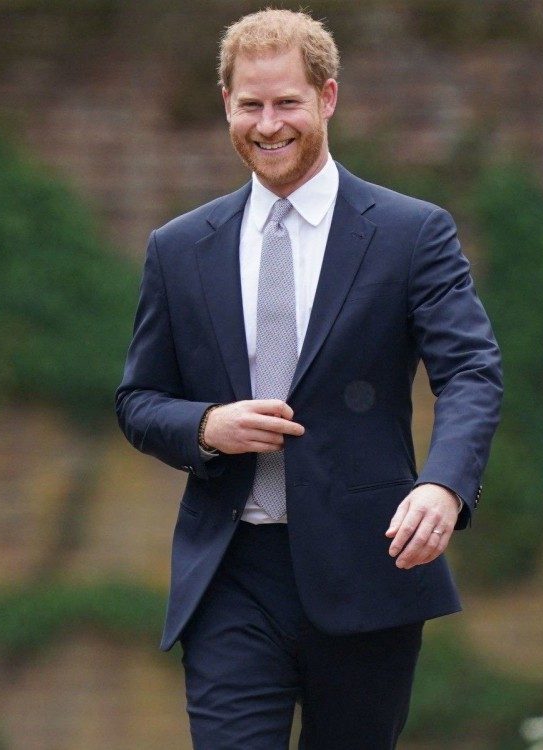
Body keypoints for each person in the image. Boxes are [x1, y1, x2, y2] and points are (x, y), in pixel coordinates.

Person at [115, 8, 501, 749]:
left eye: (286, 102)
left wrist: (443, 485)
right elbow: (138, 401)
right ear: (226, 104)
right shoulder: (179, 248)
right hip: (231, 573)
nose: (268, 124)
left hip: (368, 566)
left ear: (327, 99)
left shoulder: (410, 233)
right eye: (250, 105)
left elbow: (472, 371)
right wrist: (203, 427)